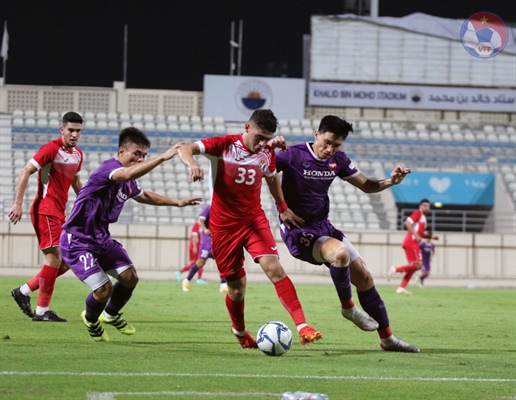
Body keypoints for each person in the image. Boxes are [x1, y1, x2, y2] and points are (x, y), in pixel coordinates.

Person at [273, 115, 420, 352]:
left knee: (365, 279)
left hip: (323, 226)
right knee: (340, 254)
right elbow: (263, 170)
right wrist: (282, 207)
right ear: (316, 134)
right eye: (327, 142)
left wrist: (390, 181)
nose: (330, 149)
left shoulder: (338, 159)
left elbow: (367, 185)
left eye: (337, 145)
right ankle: (348, 307)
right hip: (298, 230)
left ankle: (387, 339)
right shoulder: (292, 155)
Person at [178, 109, 322, 349]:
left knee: (274, 267)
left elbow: (272, 178)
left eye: (267, 138)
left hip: (254, 220)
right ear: (247, 128)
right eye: (259, 137)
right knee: (237, 289)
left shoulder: (267, 152)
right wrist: (192, 164)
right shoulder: (224, 145)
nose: (263, 143)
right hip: (224, 227)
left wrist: (283, 208)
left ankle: (303, 326)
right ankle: (240, 331)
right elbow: (185, 149)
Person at [59, 127, 201, 341]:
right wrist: (162, 157)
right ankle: (91, 319)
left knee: (130, 277)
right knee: (104, 290)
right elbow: (127, 174)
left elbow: (143, 195)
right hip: (77, 241)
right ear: (121, 151)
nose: (140, 159)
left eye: (143, 155)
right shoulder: (108, 169)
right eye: (137, 154)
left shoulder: (128, 181)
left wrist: (176, 202)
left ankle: (110, 315)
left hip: (101, 238)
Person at [9, 111, 84, 322]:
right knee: (55, 258)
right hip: (45, 209)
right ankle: (42, 311)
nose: (74, 134)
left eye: (78, 131)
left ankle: (24, 291)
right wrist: (18, 203)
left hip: (59, 213)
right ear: (62, 129)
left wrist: (89, 206)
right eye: (70, 130)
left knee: (66, 262)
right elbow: (26, 170)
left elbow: (76, 183)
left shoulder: (78, 154)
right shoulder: (51, 149)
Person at [388, 199, 439, 294]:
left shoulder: (423, 218)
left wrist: (431, 237)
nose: (427, 208)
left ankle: (401, 287)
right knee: (418, 265)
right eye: (425, 206)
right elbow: (407, 223)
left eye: (428, 206)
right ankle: (395, 269)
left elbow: (420, 234)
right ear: (420, 206)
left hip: (412, 242)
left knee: (414, 266)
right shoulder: (418, 214)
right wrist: (415, 235)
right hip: (411, 242)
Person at [181, 204, 228, 293]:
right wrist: (205, 229)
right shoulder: (209, 208)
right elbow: (200, 220)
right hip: (207, 241)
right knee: (201, 262)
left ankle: (223, 285)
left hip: (218, 240)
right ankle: (186, 281)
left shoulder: (224, 209)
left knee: (222, 261)